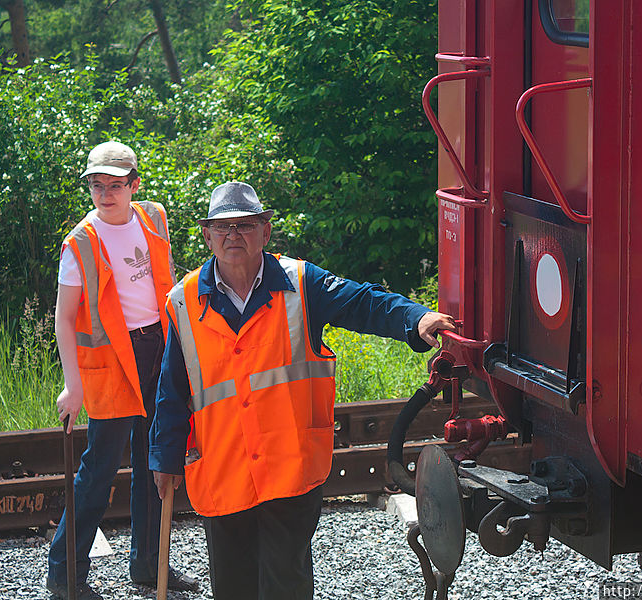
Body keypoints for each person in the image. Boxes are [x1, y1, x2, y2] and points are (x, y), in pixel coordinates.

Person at [148, 181, 456, 600]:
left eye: (245, 225)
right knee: (233, 587)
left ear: (265, 231)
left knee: (286, 585)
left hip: (288, 470)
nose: (233, 235)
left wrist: (414, 319)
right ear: (207, 235)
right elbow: (171, 390)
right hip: (224, 471)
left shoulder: (301, 283)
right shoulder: (183, 302)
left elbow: (362, 302)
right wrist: (165, 458)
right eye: (222, 227)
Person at [46, 141, 198, 600]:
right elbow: (63, 319)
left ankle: (149, 565)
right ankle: (65, 577)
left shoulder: (154, 217)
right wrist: (72, 386)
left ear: (134, 184)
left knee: (157, 459)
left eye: (115, 185)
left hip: (159, 347)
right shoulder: (80, 243)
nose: (105, 194)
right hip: (112, 362)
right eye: (97, 185)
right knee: (99, 469)